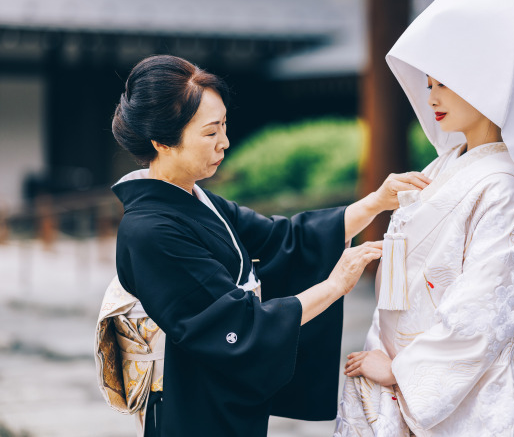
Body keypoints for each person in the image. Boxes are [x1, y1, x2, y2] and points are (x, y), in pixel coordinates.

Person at [101, 55, 430, 436]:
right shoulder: (150, 231)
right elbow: (237, 325)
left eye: (224, 126)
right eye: (210, 133)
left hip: (220, 393)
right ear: (162, 141)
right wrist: (334, 285)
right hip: (189, 399)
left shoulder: (196, 200)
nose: (224, 142)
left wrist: (375, 202)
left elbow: (284, 240)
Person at [334, 0, 514, 436]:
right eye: (428, 84)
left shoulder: (505, 190)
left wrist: (405, 372)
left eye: (445, 84)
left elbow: (484, 307)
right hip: (402, 358)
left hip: (452, 385)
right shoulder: (443, 170)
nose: (432, 99)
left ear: (483, 86)